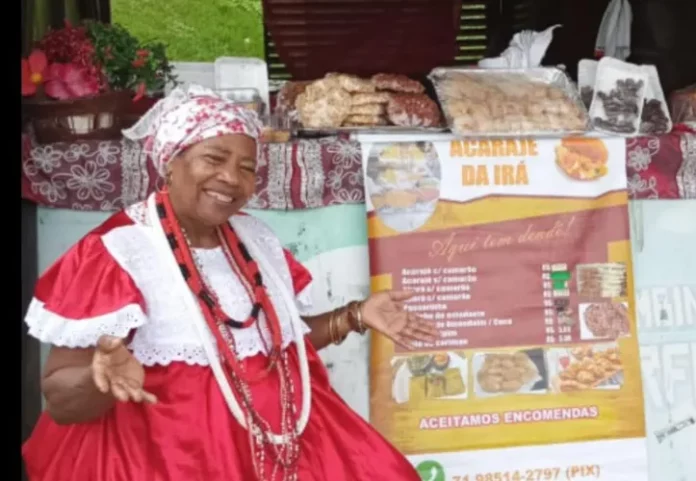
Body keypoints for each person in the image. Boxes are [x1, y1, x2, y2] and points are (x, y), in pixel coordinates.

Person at [22, 85, 436, 481]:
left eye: (246, 168)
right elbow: (60, 401)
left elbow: (271, 345)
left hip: (277, 445)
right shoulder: (117, 251)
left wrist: (355, 315)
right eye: (214, 158)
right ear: (171, 161)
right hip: (168, 458)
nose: (231, 178)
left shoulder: (255, 240)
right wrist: (98, 380)